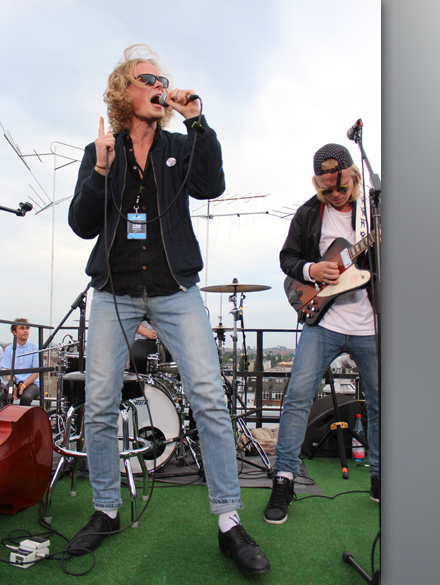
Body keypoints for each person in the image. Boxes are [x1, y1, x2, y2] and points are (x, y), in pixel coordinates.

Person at [66, 44, 269, 575]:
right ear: (123, 92)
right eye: (148, 79)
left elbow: (212, 185)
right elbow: (81, 224)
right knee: (101, 401)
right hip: (114, 289)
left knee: (209, 396)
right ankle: (106, 509)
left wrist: (198, 120)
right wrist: (101, 169)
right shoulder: (101, 150)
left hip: (175, 288)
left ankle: (229, 521)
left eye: (162, 79)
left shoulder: (180, 145)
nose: (159, 85)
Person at [266, 143, 381, 525]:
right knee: (297, 397)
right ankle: (284, 479)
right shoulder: (308, 213)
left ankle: (380, 477)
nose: (335, 194)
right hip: (325, 323)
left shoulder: (373, 213)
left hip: (370, 324)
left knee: (381, 403)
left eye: (341, 186)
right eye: (327, 189)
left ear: (354, 176)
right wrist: (312, 270)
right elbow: (287, 258)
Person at [0, 318, 41, 405]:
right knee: (3, 395)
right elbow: (8, 370)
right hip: (15, 382)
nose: (25, 331)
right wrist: (13, 384)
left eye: (27, 328)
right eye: (22, 328)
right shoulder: (9, 349)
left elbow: (36, 372)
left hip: (31, 384)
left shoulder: (35, 348)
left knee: (26, 398)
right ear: (14, 332)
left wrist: (24, 385)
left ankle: (22, 414)